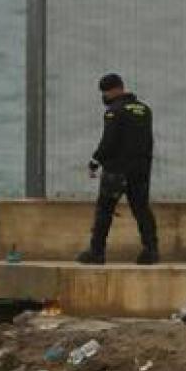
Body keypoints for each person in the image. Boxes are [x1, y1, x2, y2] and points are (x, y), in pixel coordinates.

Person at [77, 73, 158, 265]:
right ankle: (151, 250)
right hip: (140, 170)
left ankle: (96, 252)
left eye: (105, 92)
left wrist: (95, 160)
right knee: (141, 209)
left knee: (104, 210)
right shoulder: (145, 110)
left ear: (113, 90)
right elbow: (147, 141)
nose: (104, 97)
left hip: (117, 170)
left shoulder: (114, 111)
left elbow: (109, 141)